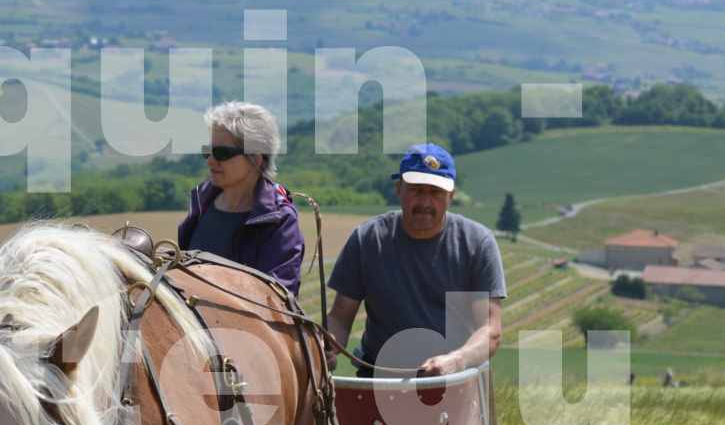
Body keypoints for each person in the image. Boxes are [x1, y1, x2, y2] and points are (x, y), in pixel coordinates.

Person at [325, 143, 506, 377]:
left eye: (435, 192)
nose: (425, 203)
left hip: (457, 381)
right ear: (398, 188)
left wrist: (456, 361)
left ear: (451, 196)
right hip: (379, 380)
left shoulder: (476, 244)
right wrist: (326, 346)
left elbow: (490, 330)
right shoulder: (368, 240)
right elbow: (339, 318)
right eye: (416, 190)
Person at [177, 102, 305, 298]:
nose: (211, 160)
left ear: (256, 158)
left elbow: (276, 299)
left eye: (222, 153)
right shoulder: (201, 202)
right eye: (208, 151)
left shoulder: (279, 221)